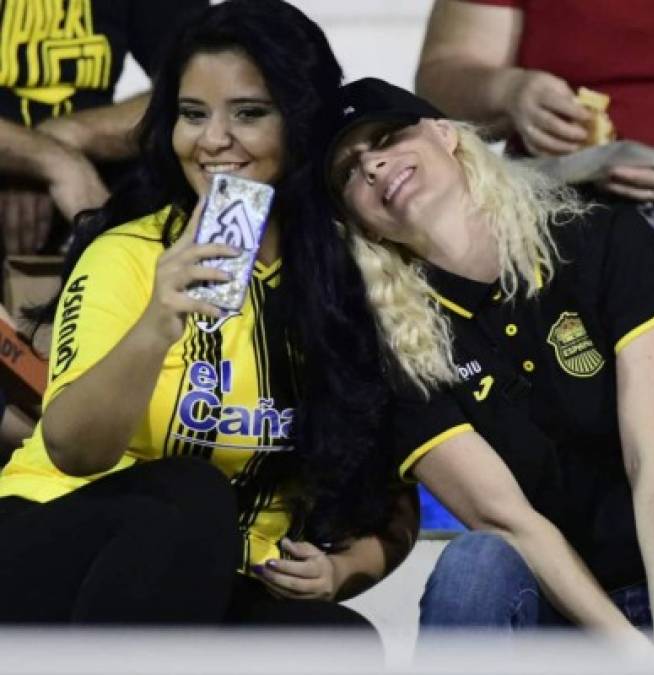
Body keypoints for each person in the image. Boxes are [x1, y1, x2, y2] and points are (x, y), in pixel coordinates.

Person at [323, 78, 654, 642]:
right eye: (349, 172)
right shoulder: (389, 345)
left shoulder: (596, 234)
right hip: (566, 622)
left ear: (446, 135)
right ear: (360, 222)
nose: (374, 166)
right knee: (475, 562)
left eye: (386, 137)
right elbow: (510, 522)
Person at [0, 1, 417, 625]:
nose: (213, 140)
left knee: (334, 638)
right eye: (192, 115)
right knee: (191, 494)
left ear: (300, 122)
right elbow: (71, 450)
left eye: (249, 113)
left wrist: (343, 569)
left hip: (216, 574)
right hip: (54, 546)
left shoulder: (350, 282)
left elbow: (394, 487)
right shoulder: (129, 253)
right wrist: (155, 325)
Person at [413, 0, 654, 535]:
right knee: (503, 236)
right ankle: (545, 513)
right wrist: (511, 94)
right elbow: (441, 81)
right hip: (562, 181)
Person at [0, 0, 208, 256]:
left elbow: (201, 87)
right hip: (77, 186)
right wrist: (50, 159)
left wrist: (70, 134)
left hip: (97, 192)